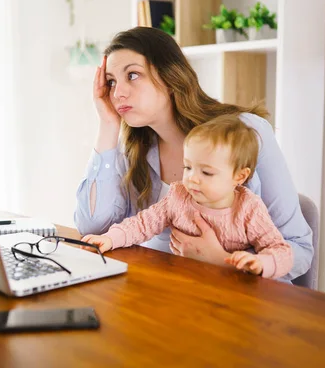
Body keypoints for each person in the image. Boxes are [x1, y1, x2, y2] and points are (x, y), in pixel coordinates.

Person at [73, 26, 313, 281]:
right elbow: (92, 228)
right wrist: (108, 124)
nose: (117, 93)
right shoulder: (133, 150)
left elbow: (299, 249)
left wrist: (223, 262)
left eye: (132, 75)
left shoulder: (246, 133)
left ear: (170, 77)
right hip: (163, 291)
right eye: (111, 82)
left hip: (237, 298)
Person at [81, 115, 293, 279]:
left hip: (232, 292)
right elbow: (142, 224)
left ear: (239, 176)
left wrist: (262, 263)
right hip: (185, 284)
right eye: (188, 167)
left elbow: (282, 251)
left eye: (206, 172)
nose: (192, 179)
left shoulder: (249, 208)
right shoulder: (178, 196)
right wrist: (109, 238)